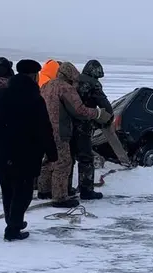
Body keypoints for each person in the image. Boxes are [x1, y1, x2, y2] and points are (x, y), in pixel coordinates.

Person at [0, 59, 57, 241]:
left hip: (3, 150)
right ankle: (13, 227)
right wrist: (52, 153)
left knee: (7, 190)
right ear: (34, 75)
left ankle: (13, 221)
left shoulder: (0, 94)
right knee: (23, 192)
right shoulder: (35, 98)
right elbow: (44, 128)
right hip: (26, 153)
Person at [37, 62, 112, 208]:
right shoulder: (66, 88)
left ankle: (44, 190)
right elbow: (79, 110)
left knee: (49, 159)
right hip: (61, 130)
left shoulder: (47, 85)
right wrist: (97, 114)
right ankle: (60, 197)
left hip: (44, 129)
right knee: (64, 162)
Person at [68, 59, 113, 200]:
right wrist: (105, 121)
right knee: (85, 158)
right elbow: (106, 107)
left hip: (67, 125)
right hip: (84, 126)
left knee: (68, 158)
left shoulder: (74, 81)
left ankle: (66, 188)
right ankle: (86, 190)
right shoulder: (94, 84)